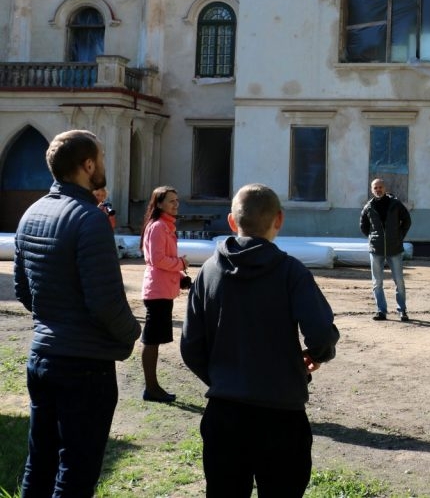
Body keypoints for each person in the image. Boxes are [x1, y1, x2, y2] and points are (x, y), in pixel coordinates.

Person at [180, 183, 339, 497]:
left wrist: (224, 378)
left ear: (231, 221)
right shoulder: (291, 272)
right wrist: (317, 353)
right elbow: (321, 332)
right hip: (281, 415)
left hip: (225, 414)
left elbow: (190, 347)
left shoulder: (209, 272)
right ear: (279, 219)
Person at [13, 129, 141, 496]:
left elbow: (24, 291)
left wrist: (55, 317)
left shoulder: (31, 213)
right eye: (100, 158)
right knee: (76, 471)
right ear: (88, 165)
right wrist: (131, 333)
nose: (103, 164)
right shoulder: (89, 219)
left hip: (42, 356)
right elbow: (104, 302)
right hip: (83, 366)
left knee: (39, 463)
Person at [140, 185, 190, 403]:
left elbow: (162, 260)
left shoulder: (166, 226)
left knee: (154, 340)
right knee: (151, 340)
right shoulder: (159, 227)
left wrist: (181, 277)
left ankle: (153, 387)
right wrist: (181, 263)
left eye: (176, 200)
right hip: (157, 292)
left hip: (163, 290)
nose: (175, 204)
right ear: (159, 204)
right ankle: (151, 388)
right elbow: (157, 260)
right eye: (171, 201)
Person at [359, 178, 412, 321]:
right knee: (377, 282)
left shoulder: (395, 204)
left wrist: (399, 236)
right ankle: (381, 311)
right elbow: (363, 226)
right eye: (375, 187)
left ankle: (402, 310)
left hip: (394, 248)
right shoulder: (369, 207)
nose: (378, 190)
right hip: (376, 250)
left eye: (380, 187)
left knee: (399, 281)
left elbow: (407, 220)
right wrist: (372, 238)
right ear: (372, 190)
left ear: (385, 188)